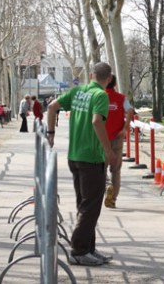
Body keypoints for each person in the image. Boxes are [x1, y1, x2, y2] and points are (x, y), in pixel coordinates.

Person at [46, 62, 117, 267]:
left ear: (91, 75)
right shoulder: (101, 95)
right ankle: (79, 250)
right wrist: (108, 150)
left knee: (85, 204)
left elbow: (51, 107)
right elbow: (96, 121)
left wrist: (51, 133)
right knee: (91, 206)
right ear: (109, 78)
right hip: (91, 157)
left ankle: (89, 248)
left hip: (75, 156)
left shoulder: (78, 91)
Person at [102, 75, 134, 208]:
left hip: (101, 138)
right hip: (117, 137)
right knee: (115, 170)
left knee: (101, 169)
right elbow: (130, 111)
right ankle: (113, 198)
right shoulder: (121, 98)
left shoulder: (99, 96)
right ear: (115, 84)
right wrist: (125, 128)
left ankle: (107, 186)